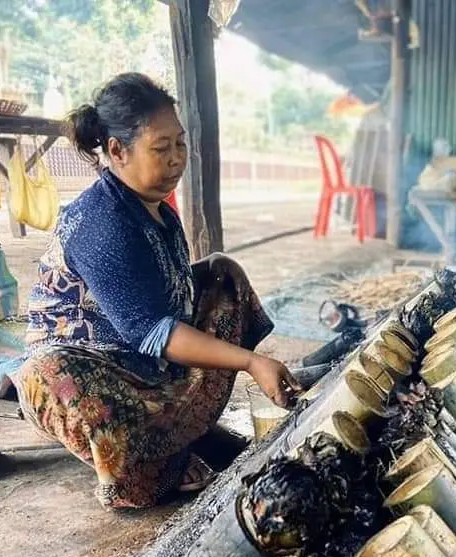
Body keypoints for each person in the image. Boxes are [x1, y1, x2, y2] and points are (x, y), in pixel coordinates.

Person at [15, 73, 300, 509]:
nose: (176, 160)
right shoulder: (101, 224)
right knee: (56, 376)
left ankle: (188, 428)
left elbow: (172, 300)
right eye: (161, 149)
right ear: (117, 151)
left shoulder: (155, 208)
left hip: (150, 364)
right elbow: (155, 331)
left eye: (180, 144)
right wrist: (249, 360)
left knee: (222, 274)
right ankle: (157, 460)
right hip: (99, 370)